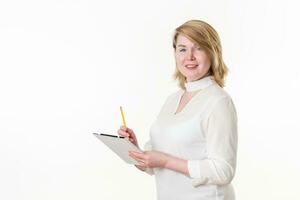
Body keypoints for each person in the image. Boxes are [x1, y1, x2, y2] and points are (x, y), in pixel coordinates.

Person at [118, 19, 238, 200]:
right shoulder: (172, 100)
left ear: (213, 53)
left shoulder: (218, 101)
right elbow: (153, 165)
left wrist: (166, 161)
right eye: (182, 49)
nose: (189, 57)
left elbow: (223, 171)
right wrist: (134, 149)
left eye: (198, 48)